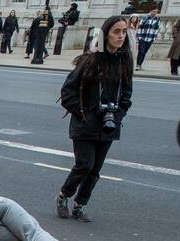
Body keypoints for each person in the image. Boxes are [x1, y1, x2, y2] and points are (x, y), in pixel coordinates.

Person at [57, 17, 133, 223]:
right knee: (85, 164)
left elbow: (127, 95)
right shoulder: (90, 60)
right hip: (85, 124)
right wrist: (83, 114)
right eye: (116, 31)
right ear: (106, 34)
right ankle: (64, 196)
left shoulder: (124, 60)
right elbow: (67, 92)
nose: (120, 36)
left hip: (108, 125)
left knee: (95, 171)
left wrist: (117, 116)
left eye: (124, 32)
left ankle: (80, 205)